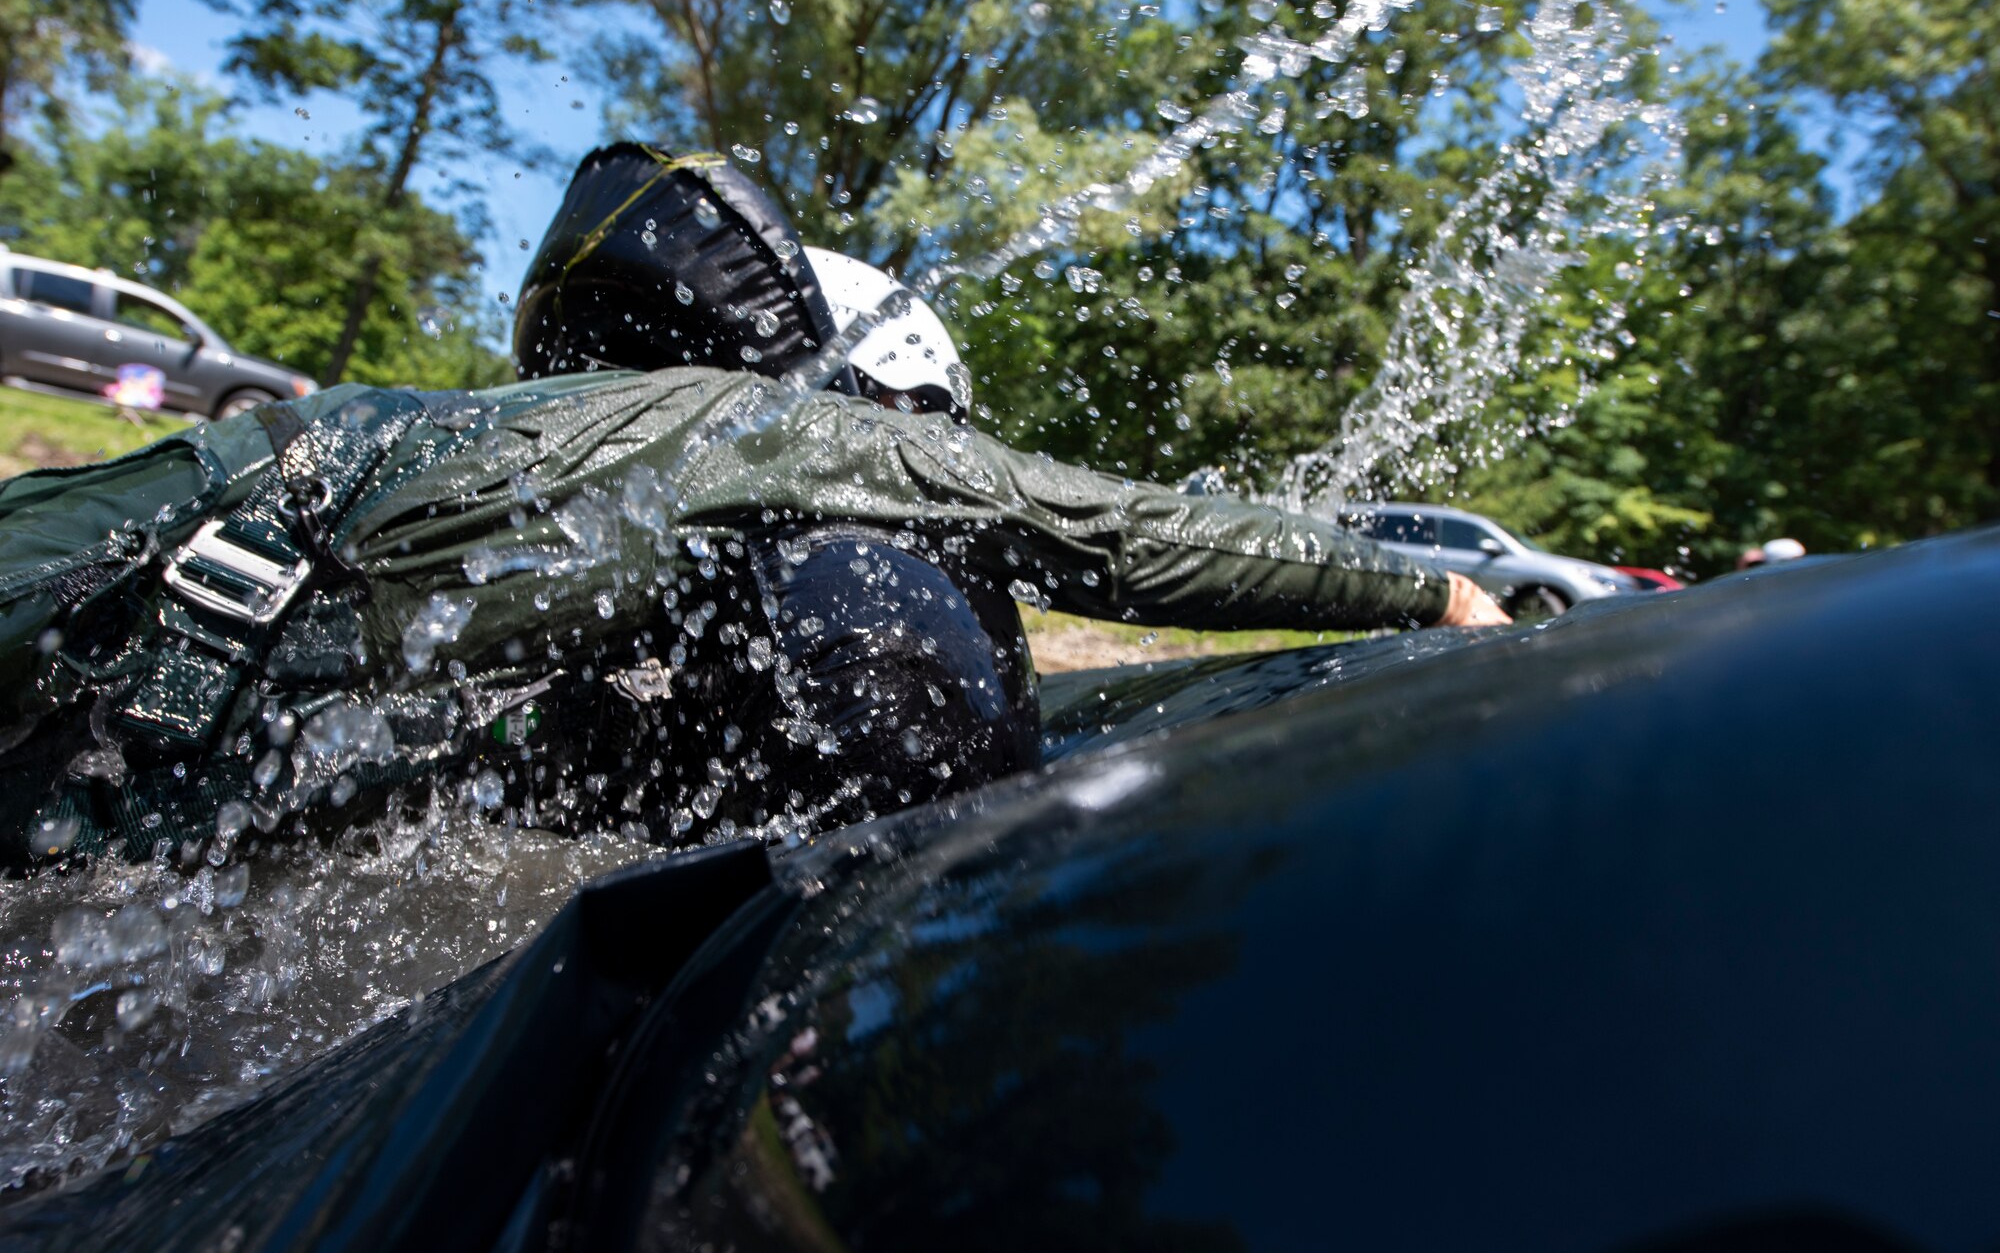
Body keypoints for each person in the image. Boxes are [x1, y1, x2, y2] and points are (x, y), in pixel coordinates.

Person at [0, 145, 1505, 869]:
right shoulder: (772, 430)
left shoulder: (576, 450)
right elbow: (1110, 533)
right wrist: (1426, 591)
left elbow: (487, 776)